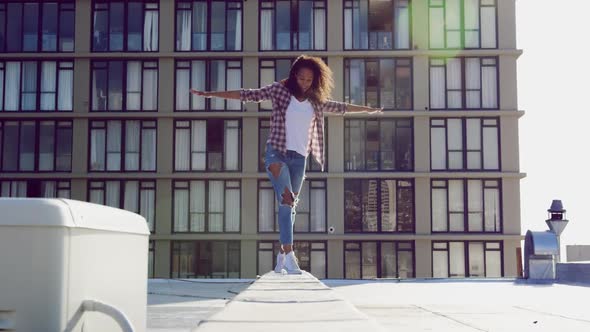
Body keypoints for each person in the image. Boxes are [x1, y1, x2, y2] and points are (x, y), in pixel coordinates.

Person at [190, 55, 382, 275]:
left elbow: (340, 107)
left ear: (315, 80)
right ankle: (290, 256)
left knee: (289, 207)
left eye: (309, 80)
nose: (304, 83)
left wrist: (367, 109)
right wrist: (210, 94)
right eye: (301, 78)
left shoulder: (315, 100)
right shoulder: (279, 91)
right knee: (287, 199)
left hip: (299, 158)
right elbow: (247, 95)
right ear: (294, 76)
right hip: (276, 153)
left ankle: (281, 254)